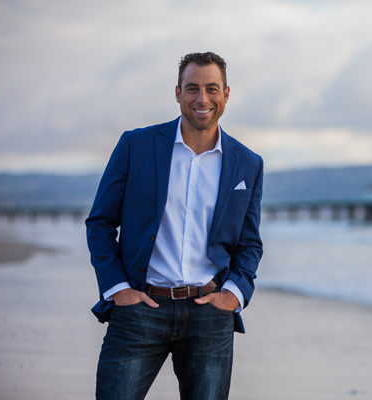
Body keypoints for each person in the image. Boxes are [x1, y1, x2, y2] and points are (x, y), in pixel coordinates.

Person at [86, 51, 264, 400]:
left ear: (226, 94)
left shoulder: (248, 163)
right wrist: (117, 288)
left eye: (212, 89)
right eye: (192, 88)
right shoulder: (136, 146)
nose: (203, 98)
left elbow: (249, 243)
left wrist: (234, 295)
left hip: (209, 315)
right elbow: (101, 222)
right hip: (140, 308)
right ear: (178, 93)